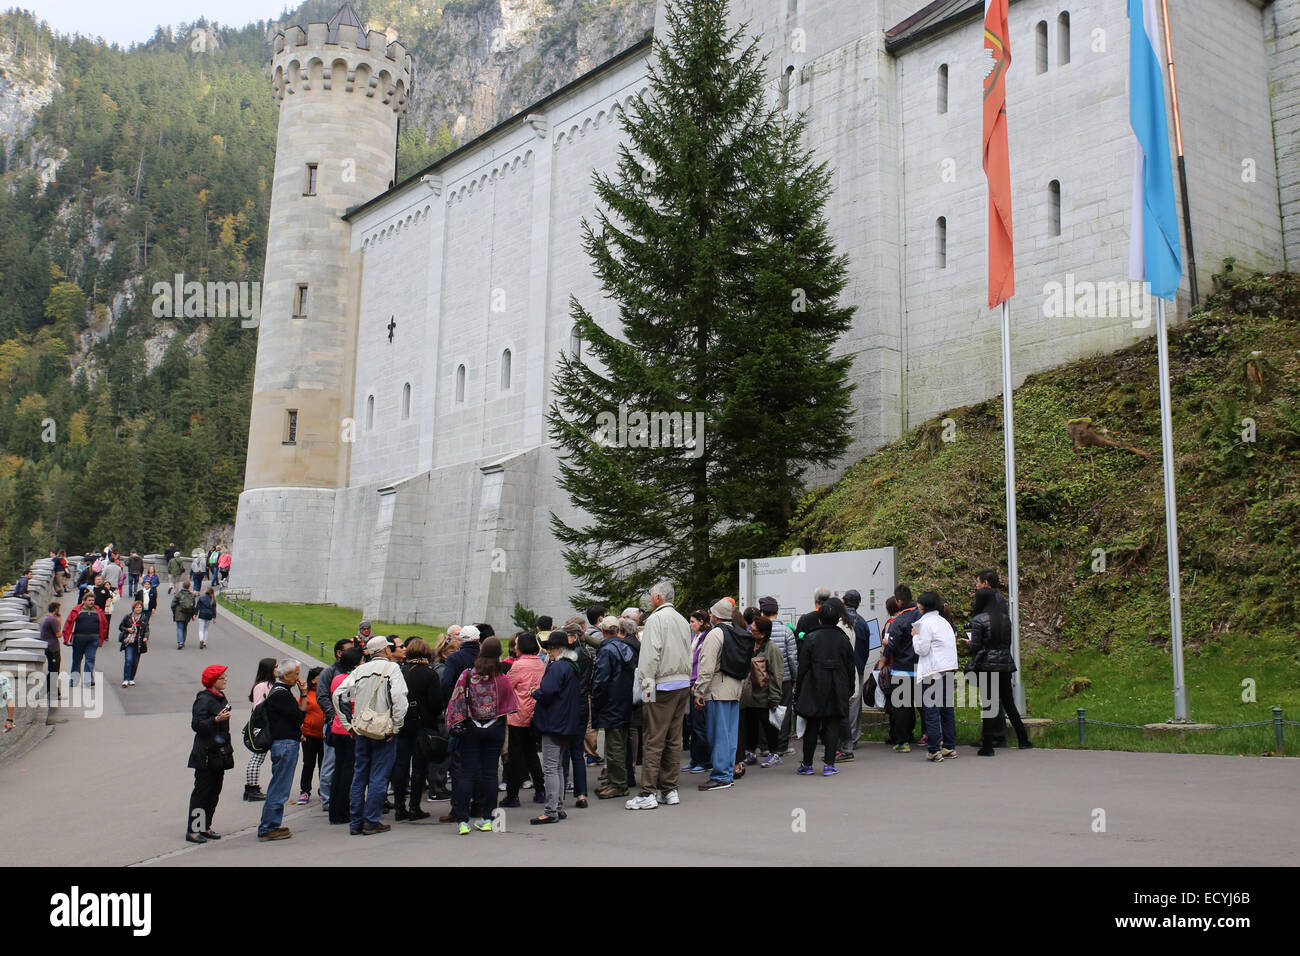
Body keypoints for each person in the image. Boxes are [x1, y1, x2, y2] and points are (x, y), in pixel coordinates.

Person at [334, 636, 408, 835]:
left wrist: (348, 724)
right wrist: (396, 726)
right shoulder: (392, 669)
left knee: (360, 775)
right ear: (385, 651)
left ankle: (356, 821)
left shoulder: (359, 670)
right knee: (379, 775)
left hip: (362, 728)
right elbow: (400, 698)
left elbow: (338, 695)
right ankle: (371, 820)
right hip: (383, 729)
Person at [444, 635, 518, 835]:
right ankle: (488, 818)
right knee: (490, 773)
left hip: (471, 728)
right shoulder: (502, 679)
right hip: (494, 729)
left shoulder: (467, 675)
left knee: (467, 772)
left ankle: (462, 820)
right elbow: (511, 706)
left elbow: (456, 702)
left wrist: (455, 722)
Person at [628, 580, 692, 810]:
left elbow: (649, 656)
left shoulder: (655, 619)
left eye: (651, 595)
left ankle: (648, 792)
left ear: (658, 598)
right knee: (674, 739)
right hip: (682, 683)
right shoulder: (683, 620)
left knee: (653, 739)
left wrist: (646, 688)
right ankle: (670, 789)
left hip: (662, 685)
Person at [967, 587, 1032, 753]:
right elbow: (1007, 643)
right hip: (1005, 664)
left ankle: (988, 746)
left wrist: (969, 645)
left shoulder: (978, 620)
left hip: (986, 666)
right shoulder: (1004, 619)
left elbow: (975, 646)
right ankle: (1023, 739)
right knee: (1009, 704)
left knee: (989, 705)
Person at [529, 629, 584, 825]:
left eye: (551, 649)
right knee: (559, 766)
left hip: (554, 722)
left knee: (551, 768)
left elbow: (548, 692)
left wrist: (534, 692)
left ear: (556, 649)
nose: (549, 653)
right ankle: (558, 807)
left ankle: (551, 809)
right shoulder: (572, 666)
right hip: (566, 721)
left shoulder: (558, 667)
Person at [795, 599, 855, 775]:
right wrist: (850, 688)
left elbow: (803, 666)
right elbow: (850, 666)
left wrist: (799, 690)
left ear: (819, 619)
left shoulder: (811, 638)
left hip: (813, 686)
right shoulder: (843, 639)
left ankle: (807, 765)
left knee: (812, 725)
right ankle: (829, 764)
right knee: (832, 725)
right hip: (837, 687)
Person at [692, 600, 746, 792]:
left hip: (717, 689)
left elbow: (706, 666)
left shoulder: (716, 633)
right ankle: (728, 771)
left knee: (718, 734)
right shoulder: (739, 631)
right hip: (735, 688)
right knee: (730, 734)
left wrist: (699, 690)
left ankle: (721, 775)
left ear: (715, 616)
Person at [257, 659, 308, 841]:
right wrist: (303, 696)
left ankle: (272, 824)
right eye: (295, 674)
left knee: (279, 785)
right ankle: (268, 827)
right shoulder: (281, 694)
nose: (298, 678)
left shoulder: (281, 691)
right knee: (280, 787)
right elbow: (299, 716)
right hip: (285, 744)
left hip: (284, 741)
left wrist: (302, 695)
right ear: (286, 675)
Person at [186, 665, 234, 843]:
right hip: (205, 753)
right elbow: (196, 725)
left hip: (219, 752)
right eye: (222, 677)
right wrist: (215, 720)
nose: (226, 679)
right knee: (202, 792)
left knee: (214, 791)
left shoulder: (220, 697)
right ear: (213, 681)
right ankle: (193, 830)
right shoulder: (204, 699)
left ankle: (205, 826)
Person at [393, 637, 440, 821]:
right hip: (423, 723)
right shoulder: (429, 674)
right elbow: (436, 703)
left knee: (401, 765)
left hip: (403, 722)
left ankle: (399, 806)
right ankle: (414, 806)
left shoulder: (401, 672)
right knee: (419, 767)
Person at [591, 615, 636, 799]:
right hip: (624, 700)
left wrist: (596, 700)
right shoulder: (626, 647)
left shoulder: (607, 650)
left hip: (610, 702)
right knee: (620, 743)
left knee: (614, 745)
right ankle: (616, 780)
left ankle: (618, 784)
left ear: (603, 631)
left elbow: (600, 680)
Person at [502, 631, 547, 808]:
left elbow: (507, 686)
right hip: (535, 712)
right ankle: (540, 790)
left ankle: (513, 795)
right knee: (531, 754)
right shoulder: (540, 663)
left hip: (518, 714)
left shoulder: (519, 665)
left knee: (515, 756)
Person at [913, 591, 959, 762]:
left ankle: (934, 749)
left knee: (931, 710)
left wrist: (915, 638)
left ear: (923, 606)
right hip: (947, 669)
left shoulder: (924, 624)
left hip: (932, 671)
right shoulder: (944, 622)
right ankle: (949, 746)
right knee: (947, 710)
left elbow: (922, 650)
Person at [737, 616, 784, 772]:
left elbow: (777, 674)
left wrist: (775, 697)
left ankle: (774, 753)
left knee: (768, 725)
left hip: (765, 696)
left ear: (763, 634)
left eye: (754, 629)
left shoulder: (772, 649)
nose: (751, 630)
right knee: (750, 725)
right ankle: (750, 752)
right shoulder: (750, 645)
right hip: (749, 695)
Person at [315, 637, 356, 814]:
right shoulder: (330, 672)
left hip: (347, 725)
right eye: (349, 650)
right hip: (336, 725)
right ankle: (327, 798)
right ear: (339, 653)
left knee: (345, 764)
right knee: (331, 762)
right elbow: (322, 697)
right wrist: (334, 716)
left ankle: (340, 799)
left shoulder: (353, 673)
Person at [327, 645, 364, 825]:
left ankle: (335, 810)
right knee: (348, 773)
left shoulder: (337, 678)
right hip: (349, 730)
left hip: (337, 728)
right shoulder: (353, 681)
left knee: (339, 771)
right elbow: (353, 704)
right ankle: (343, 810)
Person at [758, 597, 798, 758]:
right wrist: (796, 677)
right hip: (784, 678)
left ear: (762, 612)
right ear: (777, 612)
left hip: (762, 678)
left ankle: (764, 746)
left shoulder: (758, 630)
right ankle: (782, 746)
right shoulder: (786, 631)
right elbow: (792, 658)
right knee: (784, 711)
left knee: (763, 711)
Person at [839, 589, 876, 762]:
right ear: (859, 603)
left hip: (839, 668)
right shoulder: (863, 623)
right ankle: (852, 738)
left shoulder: (838, 621)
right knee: (854, 703)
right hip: (857, 667)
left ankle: (838, 738)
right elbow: (866, 649)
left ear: (843, 601)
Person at [884, 585, 921, 752]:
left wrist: (886, 646)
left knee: (902, 707)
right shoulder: (922, 617)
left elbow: (892, 646)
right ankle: (931, 737)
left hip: (901, 669)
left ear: (899, 601)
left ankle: (902, 742)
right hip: (921, 668)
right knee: (923, 706)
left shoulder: (898, 621)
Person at [244, 658, 277, 801]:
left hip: (268, 724)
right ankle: (251, 788)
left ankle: (253, 788)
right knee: (258, 756)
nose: (278, 669)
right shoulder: (261, 686)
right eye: (275, 667)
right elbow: (257, 708)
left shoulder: (271, 684)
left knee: (260, 757)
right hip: (262, 726)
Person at [683, 610, 711, 773]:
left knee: (700, 725)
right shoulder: (694, 638)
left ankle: (704, 760)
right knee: (691, 724)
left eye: (693, 621)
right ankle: (694, 758)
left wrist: (699, 685)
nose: (690, 624)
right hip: (689, 683)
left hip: (698, 685)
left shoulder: (706, 638)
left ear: (701, 621)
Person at [62, 589, 107, 689]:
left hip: (93, 639)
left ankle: (88, 681)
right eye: (89, 600)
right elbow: (68, 623)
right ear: (84, 600)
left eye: (92, 600)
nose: (91, 602)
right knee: (77, 660)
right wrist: (66, 637)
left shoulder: (98, 611)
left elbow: (104, 625)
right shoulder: (77, 610)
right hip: (79, 639)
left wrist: (101, 638)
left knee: (90, 659)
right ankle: (74, 680)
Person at [298, 667, 325, 804]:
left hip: (324, 735)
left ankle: (323, 790)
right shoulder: (306, 694)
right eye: (321, 676)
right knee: (308, 763)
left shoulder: (327, 693)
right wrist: (300, 730)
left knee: (324, 764)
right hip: (309, 735)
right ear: (313, 679)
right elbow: (299, 714)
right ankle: (304, 791)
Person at [117, 599, 149, 687]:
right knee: (129, 660)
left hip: (138, 643)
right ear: (133, 608)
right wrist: (128, 629)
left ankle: (131, 678)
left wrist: (146, 637)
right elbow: (121, 627)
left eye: (140, 607)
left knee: (135, 662)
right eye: (137, 607)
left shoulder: (144, 618)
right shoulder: (127, 617)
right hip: (129, 642)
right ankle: (126, 679)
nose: (138, 609)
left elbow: (146, 629)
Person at [40, 602, 62, 700]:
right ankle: (46, 690)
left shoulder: (45, 618)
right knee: (54, 670)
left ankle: (55, 691)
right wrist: (59, 621)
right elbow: (58, 634)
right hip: (53, 648)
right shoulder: (52, 620)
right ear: (56, 609)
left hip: (48, 647)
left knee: (53, 670)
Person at [171, 580, 198, 650]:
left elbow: (172, 604)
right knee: (184, 628)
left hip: (179, 612)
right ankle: (183, 642)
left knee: (179, 628)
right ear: (189, 586)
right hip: (187, 613)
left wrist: (174, 611)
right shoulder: (192, 595)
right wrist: (193, 615)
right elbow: (193, 606)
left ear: (183, 586)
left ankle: (180, 642)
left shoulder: (178, 594)